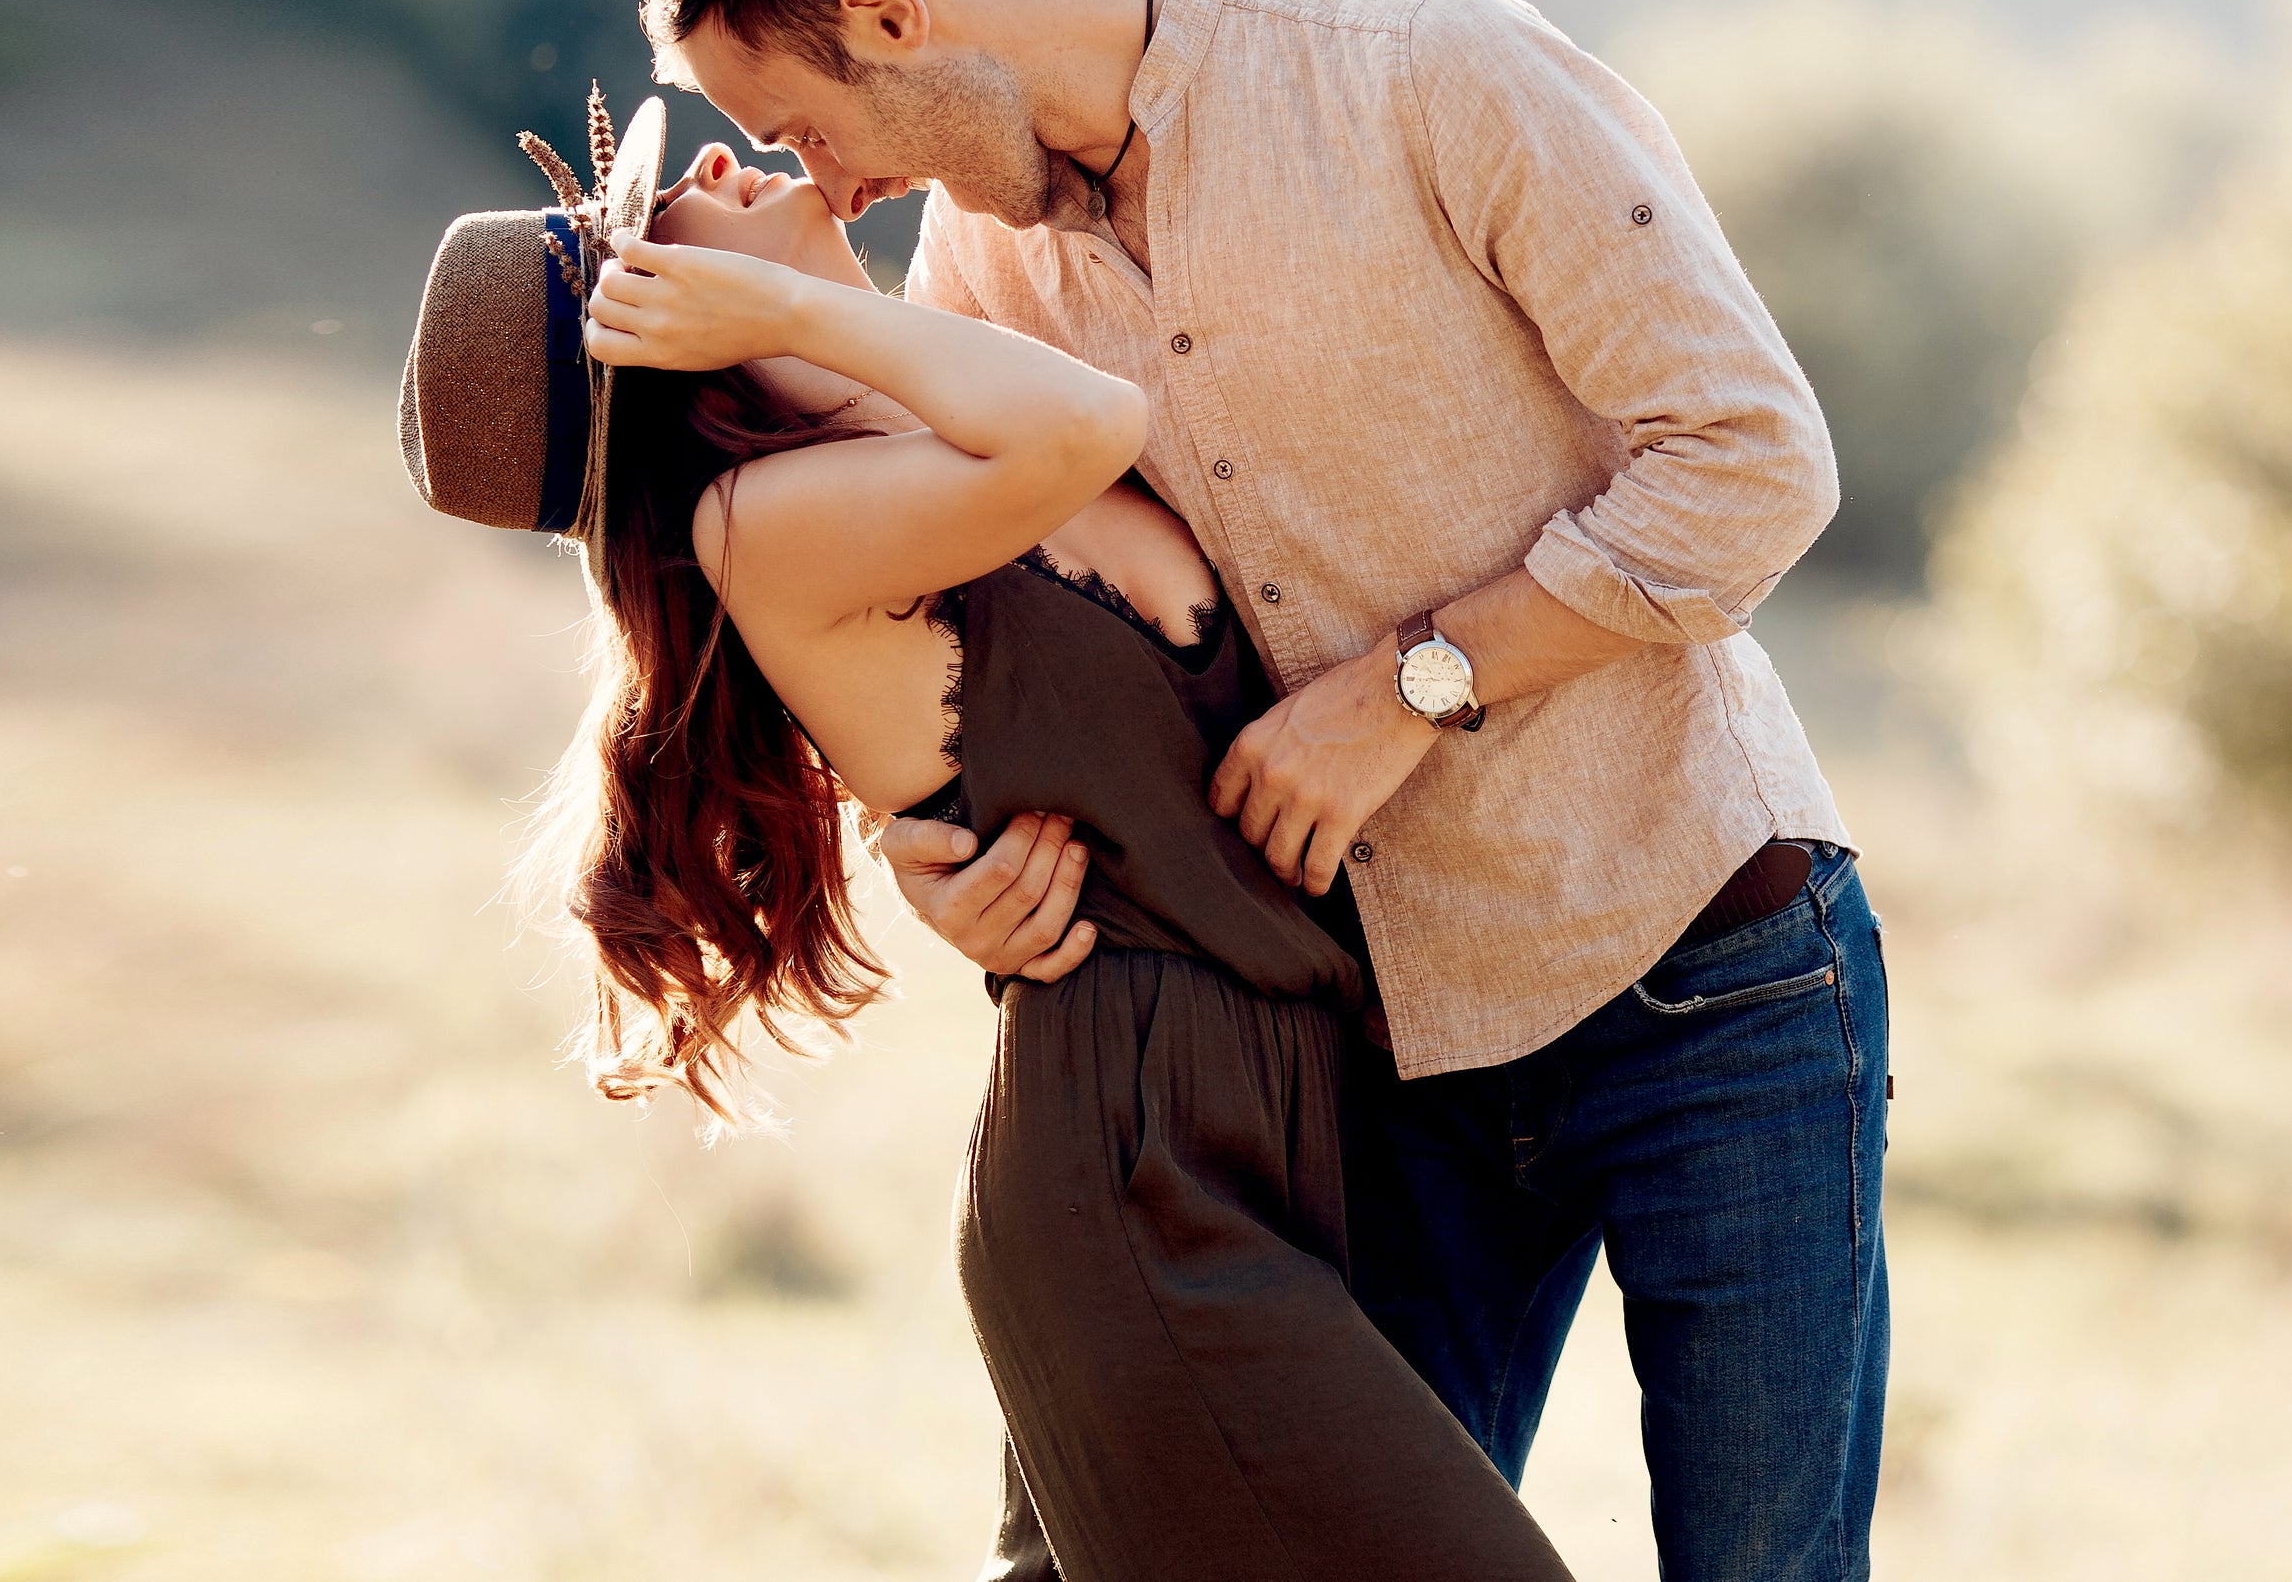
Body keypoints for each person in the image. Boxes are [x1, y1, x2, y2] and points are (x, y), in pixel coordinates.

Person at [636, 0, 1888, 1582]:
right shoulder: (979, 265)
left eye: (797, 126)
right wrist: (936, 849)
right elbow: (1014, 632)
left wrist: (1416, 684)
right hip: (1367, 1054)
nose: (817, 185)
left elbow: (1755, 459)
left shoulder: (1426, 64)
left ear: (893, 17)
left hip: (1706, 966)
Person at [396, 96, 1572, 1581]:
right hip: (1136, 1160)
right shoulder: (761, 526)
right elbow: (1092, 427)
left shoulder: (923, 439)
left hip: (1295, 1128)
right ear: (658, 346)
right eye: (654, 233)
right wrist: (780, 303)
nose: (707, 156)